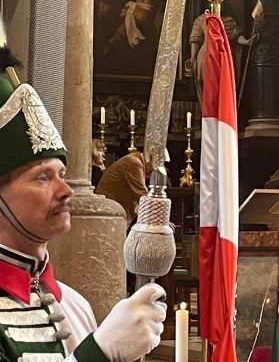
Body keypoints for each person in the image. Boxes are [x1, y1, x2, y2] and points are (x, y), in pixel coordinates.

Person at [0, 75, 165, 360]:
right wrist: (100, 353)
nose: (65, 190)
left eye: (62, 175)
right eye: (42, 177)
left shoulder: (75, 304)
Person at [95, 151, 153, 223]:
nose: (150, 174)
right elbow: (142, 194)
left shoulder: (135, 161)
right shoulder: (135, 163)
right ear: (149, 158)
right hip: (109, 212)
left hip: (113, 211)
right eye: (151, 168)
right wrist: (159, 218)